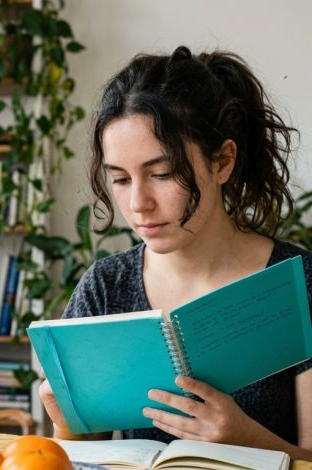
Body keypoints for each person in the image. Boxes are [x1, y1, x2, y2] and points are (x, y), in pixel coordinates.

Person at [39, 46, 312, 460]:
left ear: (222, 161)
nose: (137, 204)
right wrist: (66, 421)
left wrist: (247, 438)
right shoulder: (105, 286)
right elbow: (77, 458)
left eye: (162, 174)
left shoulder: (298, 283)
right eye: (120, 179)